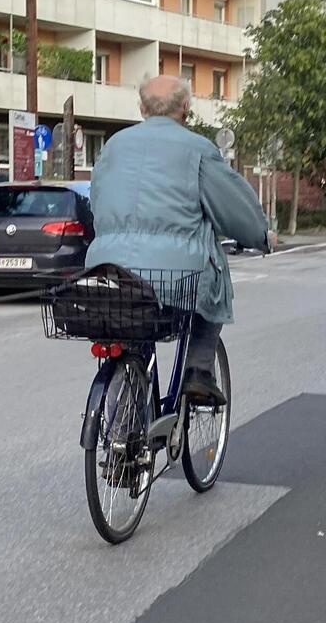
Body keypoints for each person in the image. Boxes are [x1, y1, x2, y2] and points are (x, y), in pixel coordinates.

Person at [86, 76, 273, 405]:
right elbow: (232, 207)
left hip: (109, 271)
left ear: (142, 108)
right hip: (173, 278)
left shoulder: (113, 146)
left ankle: (126, 416)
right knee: (212, 285)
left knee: (132, 322)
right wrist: (260, 236)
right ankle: (198, 371)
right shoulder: (198, 149)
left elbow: (97, 202)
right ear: (186, 107)